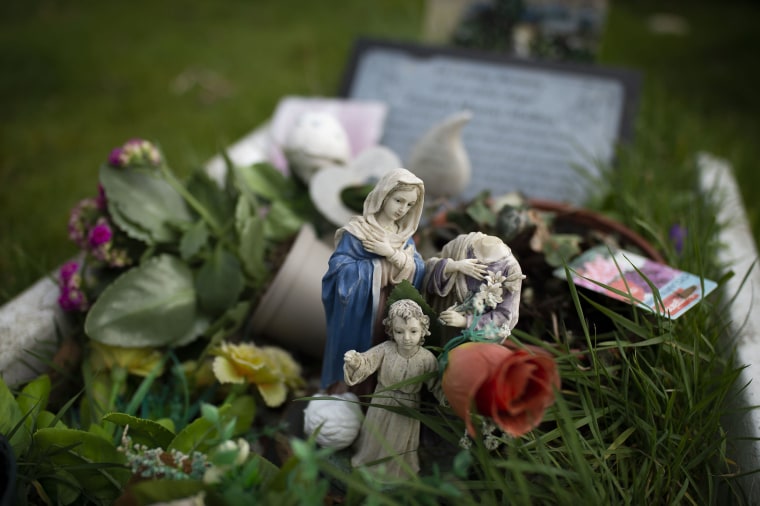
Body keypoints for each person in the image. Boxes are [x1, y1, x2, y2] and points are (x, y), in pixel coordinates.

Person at [320, 168, 426, 392]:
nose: (402, 209)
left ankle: (369, 400)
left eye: (409, 205)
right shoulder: (358, 232)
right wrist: (378, 269)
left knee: (383, 354)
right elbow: (339, 270)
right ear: (384, 195)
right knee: (355, 353)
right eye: (398, 200)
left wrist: (392, 254)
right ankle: (344, 394)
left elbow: (418, 269)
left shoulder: (403, 237)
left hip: (389, 312)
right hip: (360, 312)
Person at [343, 299, 439, 479]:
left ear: (423, 330)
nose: (407, 338)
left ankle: (394, 472)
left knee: (398, 441)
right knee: (375, 435)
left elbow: (436, 384)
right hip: (382, 400)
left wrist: (448, 397)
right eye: (399, 332)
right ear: (391, 331)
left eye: (413, 331)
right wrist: (355, 361)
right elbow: (367, 361)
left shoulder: (427, 359)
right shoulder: (386, 349)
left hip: (406, 407)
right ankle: (367, 461)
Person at [424, 232, 524, 342]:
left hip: (467, 341)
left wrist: (465, 321)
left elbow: (504, 317)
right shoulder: (462, 243)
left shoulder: (510, 269)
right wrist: (454, 266)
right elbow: (426, 269)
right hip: (436, 320)